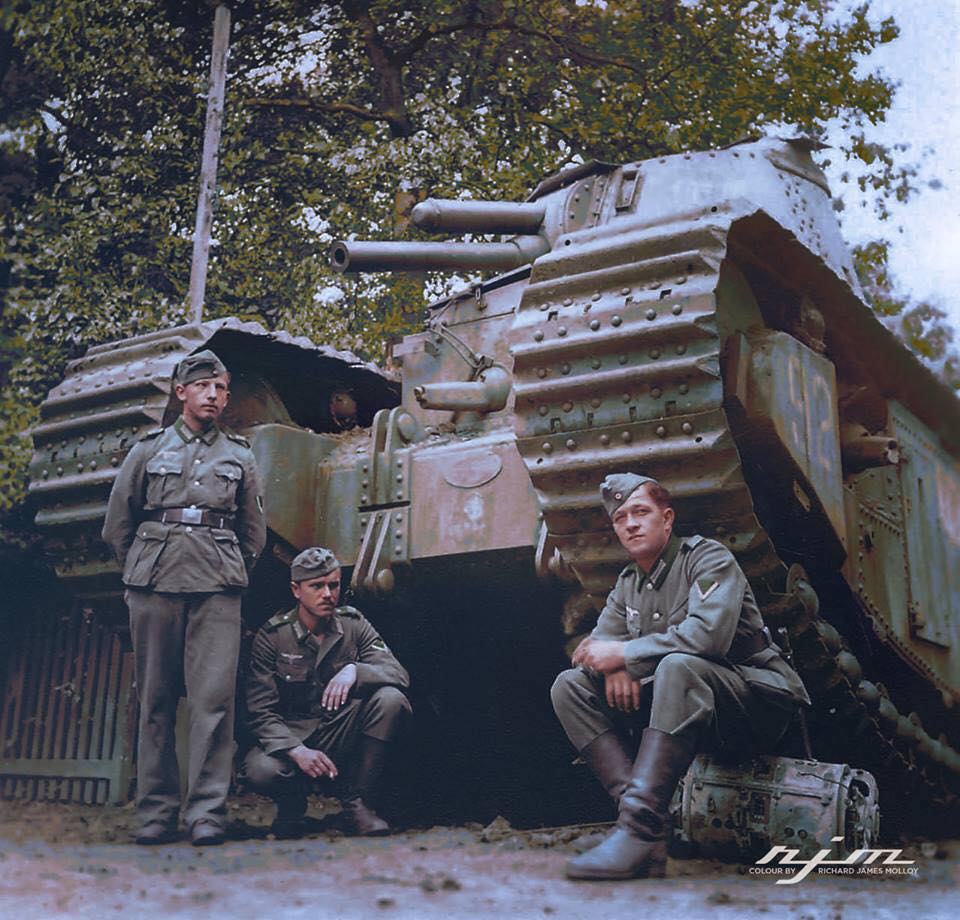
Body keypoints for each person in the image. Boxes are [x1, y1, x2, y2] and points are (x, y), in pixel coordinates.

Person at [551, 473, 809, 880]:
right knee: (570, 688)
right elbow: (591, 652)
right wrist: (617, 662)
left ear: (667, 519)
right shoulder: (628, 583)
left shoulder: (708, 559)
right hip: (692, 705)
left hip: (755, 702)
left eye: (641, 512)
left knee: (678, 665)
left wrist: (625, 654)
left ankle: (637, 828)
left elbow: (706, 638)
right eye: (621, 518)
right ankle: (642, 830)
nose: (631, 524)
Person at [102, 349, 266, 846]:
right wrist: (140, 574)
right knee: (155, 702)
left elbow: (253, 533)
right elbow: (117, 525)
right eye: (203, 387)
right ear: (181, 393)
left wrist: (228, 571)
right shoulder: (147, 450)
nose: (212, 396)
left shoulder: (239, 455)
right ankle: (155, 812)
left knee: (213, 705)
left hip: (217, 591)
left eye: (220, 389)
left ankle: (206, 813)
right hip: (154, 588)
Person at [242, 547, 411, 838]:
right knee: (260, 768)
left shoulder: (353, 625)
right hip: (295, 738)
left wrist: (357, 670)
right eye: (316, 586)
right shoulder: (272, 637)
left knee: (391, 700)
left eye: (333, 585)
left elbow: (399, 674)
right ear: (296, 590)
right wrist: (296, 751)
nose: (327, 594)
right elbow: (260, 712)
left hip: (339, 731)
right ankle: (292, 806)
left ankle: (357, 803)